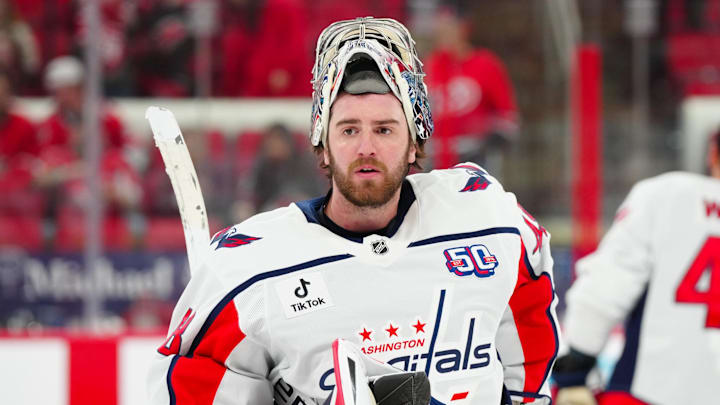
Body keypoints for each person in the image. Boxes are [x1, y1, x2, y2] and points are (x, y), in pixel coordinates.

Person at [148, 17, 558, 405]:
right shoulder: (248, 270)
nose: (366, 147)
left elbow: (530, 295)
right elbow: (190, 384)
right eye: (348, 130)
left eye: (384, 129)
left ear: (415, 143)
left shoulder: (483, 217)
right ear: (322, 145)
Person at [552, 130, 720, 405]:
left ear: (712, 153)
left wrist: (575, 370)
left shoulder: (667, 195)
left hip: (650, 391)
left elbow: (604, 289)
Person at [424, 7, 519, 171]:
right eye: (440, 29)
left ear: (464, 28)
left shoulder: (485, 64)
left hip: (475, 157)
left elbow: (507, 116)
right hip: (434, 159)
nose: (443, 34)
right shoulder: (429, 66)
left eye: (449, 28)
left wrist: (488, 133)